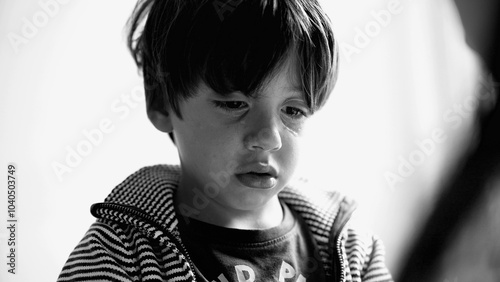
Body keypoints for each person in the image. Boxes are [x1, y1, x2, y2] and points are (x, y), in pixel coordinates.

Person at [57, 0, 393, 281]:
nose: (269, 138)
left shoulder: (352, 249)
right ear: (161, 103)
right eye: (235, 104)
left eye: (293, 111)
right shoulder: (119, 257)